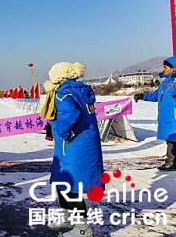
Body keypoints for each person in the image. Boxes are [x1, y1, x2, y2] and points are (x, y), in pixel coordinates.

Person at [40, 62, 103, 236]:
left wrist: (62, 132)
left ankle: (82, 228)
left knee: (71, 185)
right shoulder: (80, 90)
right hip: (84, 143)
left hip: (73, 144)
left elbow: (69, 115)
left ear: (58, 76)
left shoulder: (63, 92)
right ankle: (68, 218)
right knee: (64, 183)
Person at [134, 56, 176, 179]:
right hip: (166, 118)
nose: (164, 69)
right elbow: (155, 96)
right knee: (170, 141)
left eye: (165, 67)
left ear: (173, 68)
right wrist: (142, 96)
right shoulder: (164, 83)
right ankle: (171, 163)